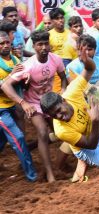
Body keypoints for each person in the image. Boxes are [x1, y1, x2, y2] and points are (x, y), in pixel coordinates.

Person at [40, 46, 99, 194]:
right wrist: (95, 120)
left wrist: (86, 61)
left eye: (59, 110)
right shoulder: (61, 130)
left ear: (64, 100)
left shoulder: (72, 91)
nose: (59, 116)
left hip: (95, 129)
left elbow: (89, 69)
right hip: (86, 148)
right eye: (54, 116)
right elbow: (90, 145)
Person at [1, 30, 67, 183]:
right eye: (39, 45)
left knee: (61, 133)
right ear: (34, 46)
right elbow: (5, 85)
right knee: (43, 133)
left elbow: (63, 78)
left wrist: (62, 92)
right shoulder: (27, 65)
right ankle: (50, 175)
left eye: (46, 44)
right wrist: (23, 103)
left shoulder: (56, 59)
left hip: (50, 102)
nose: (44, 47)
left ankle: (58, 165)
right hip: (33, 104)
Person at [0, 31, 37, 182]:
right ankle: (32, 176)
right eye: (1, 43)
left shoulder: (16, 60)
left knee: (2, 141)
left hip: (13, 106)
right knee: (19, 138)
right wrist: (11, 76)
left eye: (7, 42)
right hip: (2, 110)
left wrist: (26, 79)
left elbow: (22, 86)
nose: (5, 46)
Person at [48, 8, 70, 93]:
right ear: (52, 21)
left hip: (70, 70)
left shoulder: (71, 34)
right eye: (57, 18)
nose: (60, 20)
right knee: (57, 95)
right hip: (56, 71)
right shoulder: (48, 35)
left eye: (62, 17)